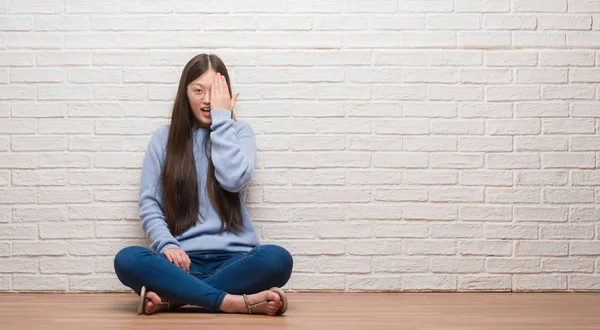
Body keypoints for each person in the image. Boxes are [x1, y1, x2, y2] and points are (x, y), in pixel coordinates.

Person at [113, 54, 293, 316]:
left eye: (215, 92)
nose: (207, 100)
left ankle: (174, 299)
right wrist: (168, 244)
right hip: (180, 263)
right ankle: (232, 301)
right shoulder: (163, 138)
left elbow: (233, 181)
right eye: (198, 90)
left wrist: (222, 119)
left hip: (236, 261)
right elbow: (149, 204)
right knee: (127, 259)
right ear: (185, 93)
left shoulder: (239, 132)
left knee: (278, 259)